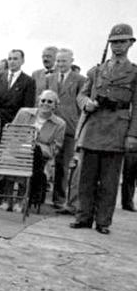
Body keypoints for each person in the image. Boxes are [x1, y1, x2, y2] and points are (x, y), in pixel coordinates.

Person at [71, 24, 137, 235]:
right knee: (86, 178)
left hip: (117, 129)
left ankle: (103, 221)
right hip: (93, 127)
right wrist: (86, 103)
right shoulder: (97, 70)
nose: (117, 46)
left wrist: (132, 135)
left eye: (122, 42)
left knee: (109, 181)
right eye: (114, 42)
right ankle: (83, 216)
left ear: (131, 43)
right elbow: (81, 95)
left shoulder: (134, 73)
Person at [7, 90, 66, 211]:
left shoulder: (60, 124)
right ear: (38, 102)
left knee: (32, 159)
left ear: (55, 105)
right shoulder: (23, 113)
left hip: (39, 158)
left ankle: (20, 200)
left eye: (50, 101)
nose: (46, 103)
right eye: (43, 100)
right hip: (17, 151)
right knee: (11, 159)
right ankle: (7, 198)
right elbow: (11, 133)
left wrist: (35, 146)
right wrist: (22, 145)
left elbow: (55, 148)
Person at [47, 48, 86, 208]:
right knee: (50, 161)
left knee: (64, 164)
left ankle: (61, 199)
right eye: (58, 61)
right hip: (52, 125)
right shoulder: (50, 78)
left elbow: (81, 104)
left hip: (69, 127)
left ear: (71, 61)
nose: (60, 64)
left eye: (64, 61)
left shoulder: (80, 79)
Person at [0, 49, 36, 125]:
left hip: (13, 125)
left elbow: (28, 108)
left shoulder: (28, 81)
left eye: (15, 59)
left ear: (22, 61)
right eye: (10, 59)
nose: (12, 61)